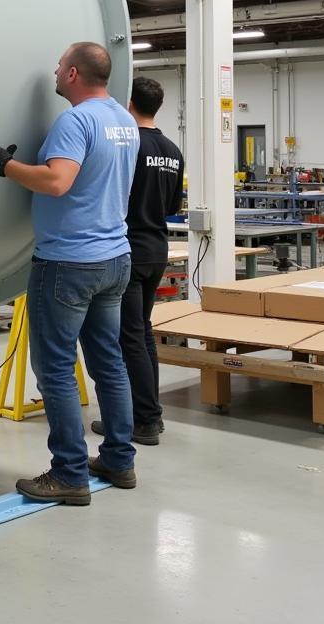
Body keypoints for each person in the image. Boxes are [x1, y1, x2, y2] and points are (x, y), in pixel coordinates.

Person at [0, 41, 139, 506]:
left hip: (69, 262)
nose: (54, 70)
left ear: (72, 75)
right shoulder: (123, 121)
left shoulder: (76, 121)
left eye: (59, 65)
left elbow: (57, 181)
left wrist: (4, 166)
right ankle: (118, 460)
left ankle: (69, 473)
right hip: (114, 257)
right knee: (108, 363)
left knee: (55, 368)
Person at [93, 76, 184, 446]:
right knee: (142, 333)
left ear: (129, 103)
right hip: (158, 248)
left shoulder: (128, 144)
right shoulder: (173, 150)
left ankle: (143, 420)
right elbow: (175, 207)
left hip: (128, 248)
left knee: (128, 337)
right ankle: (146, 414)